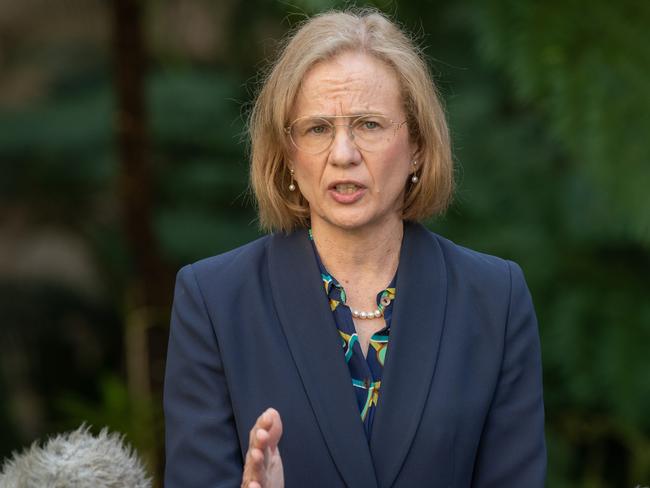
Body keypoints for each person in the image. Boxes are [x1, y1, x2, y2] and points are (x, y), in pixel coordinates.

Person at [163, 9, 546, 488]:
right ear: (287, 156)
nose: (343, 154)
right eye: (318, 129)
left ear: (418, 146)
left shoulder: (495, 299)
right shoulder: (214, 302)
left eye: (368, 125)